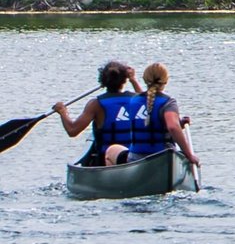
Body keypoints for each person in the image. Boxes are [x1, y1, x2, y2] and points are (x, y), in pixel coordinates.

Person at [53, 60, 186, 167]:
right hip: (141, 156)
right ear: (124, 80)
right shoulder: (136, 100)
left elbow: (72, 130)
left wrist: (63, 112)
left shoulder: (96, 104)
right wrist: (133, 79)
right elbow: (148, 100)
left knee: (109, 152)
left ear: (103, 81)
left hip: (119, 159)